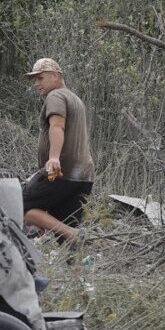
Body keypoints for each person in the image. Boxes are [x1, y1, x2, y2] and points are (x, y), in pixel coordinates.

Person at [21, 58, 94, 243]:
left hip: (60, 173)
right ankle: (77, 260)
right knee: (67, 240)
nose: (36, 83)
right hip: (83, 176)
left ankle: (73, 234)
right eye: (34, 79)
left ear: (55, 76)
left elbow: (57, 126)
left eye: (40, 78)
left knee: (20, 206)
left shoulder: (56, 96)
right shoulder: (75, 99)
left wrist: (53, 158)